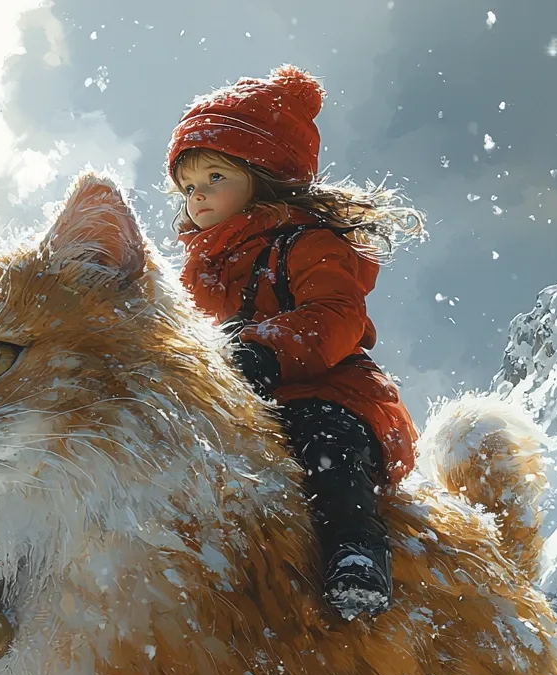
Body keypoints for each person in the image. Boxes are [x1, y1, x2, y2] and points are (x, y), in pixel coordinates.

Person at [167, 64, 424, 620]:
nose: (198, 196)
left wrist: (265, 350)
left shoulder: (304, 243)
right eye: (188, 187)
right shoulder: (196, 273)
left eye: (215, 177)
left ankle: (356, 549)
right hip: (237, 404)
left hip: (326, 389)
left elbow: (336, 313)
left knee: (323, 442)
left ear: (262, 175)